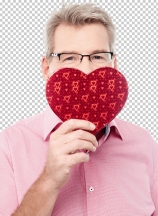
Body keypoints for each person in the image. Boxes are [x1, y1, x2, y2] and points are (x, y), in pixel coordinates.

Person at [0, 3, 158, 216]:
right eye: (70, 58)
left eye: (98, 56)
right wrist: (49, 180)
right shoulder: (10, 146)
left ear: (114, 65)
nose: (85, 70)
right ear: (47, 69)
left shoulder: (144, 144)